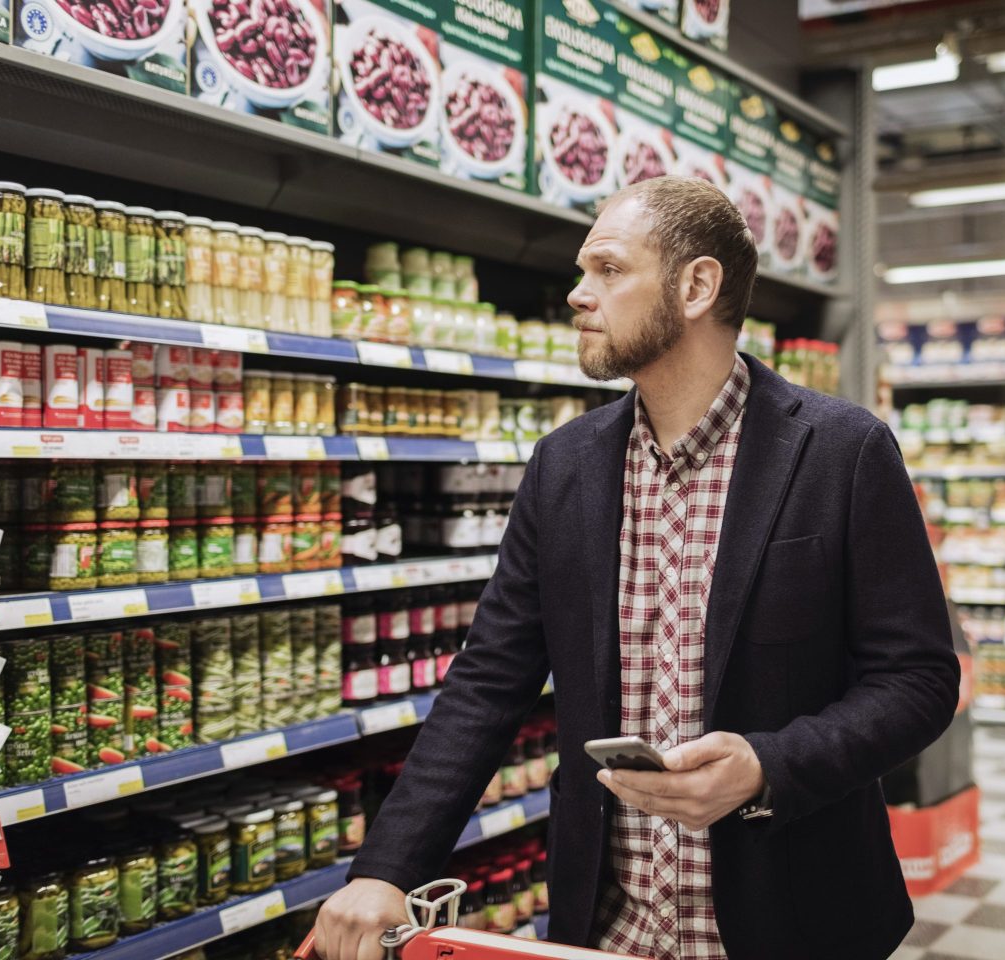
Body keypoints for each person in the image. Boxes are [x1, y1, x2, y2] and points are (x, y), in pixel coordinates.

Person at [314, 176, 960, 960]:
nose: (578, 295)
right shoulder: (565, 467)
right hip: (609, 928)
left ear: (696, 286)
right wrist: (387, 869)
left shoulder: (841, 452)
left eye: (608, 270)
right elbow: (489, 679)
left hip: (792, 920)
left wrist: (766, 767)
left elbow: (918, 679)